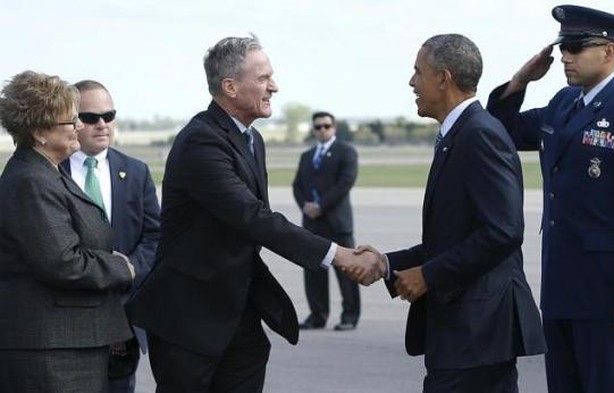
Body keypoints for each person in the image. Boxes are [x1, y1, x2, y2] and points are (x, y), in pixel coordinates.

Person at [125, 35, 383, 393]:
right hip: (190, 319)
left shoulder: (250, 138)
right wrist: (337, 254)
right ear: (230, 86)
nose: (274, 87)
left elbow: (256, 217)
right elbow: (252, 217)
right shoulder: (201, 141)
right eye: (263, 78)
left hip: (237, 314)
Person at [486, 5, 614, 392]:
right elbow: (500, 130)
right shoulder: (563, 104)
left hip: (609, 295)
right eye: (562, 49)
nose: (565, 58)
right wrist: (520, 81)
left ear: (609, 51)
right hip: (562, 288)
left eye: (575, 47)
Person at [358, 34, 546, 392]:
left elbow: (503, 231)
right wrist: (386, 263)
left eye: (418, 72)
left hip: (479, 331)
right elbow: (455, 237)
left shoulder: (479, 134)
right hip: (467, 333)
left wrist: (429, 275)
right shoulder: (458, 133)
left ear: (443, 78)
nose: (412, 82)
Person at [0, 71, 135, 392]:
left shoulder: (47, 173)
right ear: (39, 132)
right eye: (70, 121)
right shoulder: (31, 181)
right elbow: (62, 262)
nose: (79, 127)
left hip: (68, 344)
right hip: (51, 351)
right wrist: (120, 267)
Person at [60, 80, 160, 393]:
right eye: (91, 117)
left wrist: (129, 268)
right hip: (67, 317)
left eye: (109, 115)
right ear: (71, 121)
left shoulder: (136, 171)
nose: (102, 124)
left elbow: (154, 236)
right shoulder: (50, 172)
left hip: (123, 316)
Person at [293, 111, 361, 331]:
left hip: (337, 222)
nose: (322, 130)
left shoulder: (346, 152)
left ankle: (349, 316)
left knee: (347, 271)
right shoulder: (307, 156)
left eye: (326, 126)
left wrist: (321, 206)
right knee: (314, 272)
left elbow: (345, 183)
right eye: (318, 127)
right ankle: (317, 315)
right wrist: (306, 206)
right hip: (312, 223)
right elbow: (297, 185)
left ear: (334, 128)